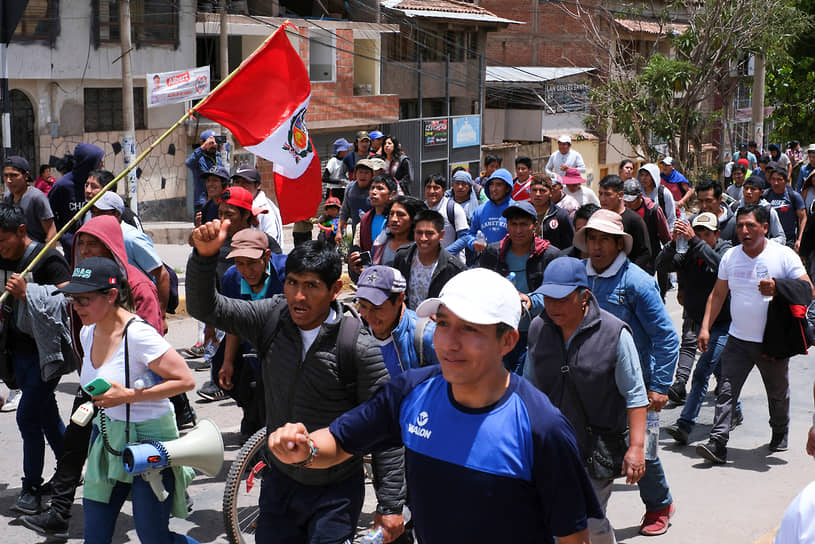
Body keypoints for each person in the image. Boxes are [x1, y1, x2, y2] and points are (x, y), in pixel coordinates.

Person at [267, 267, 603, 544]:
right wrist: (305, 450)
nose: (449, 342)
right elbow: (341, 441)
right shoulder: (412, 391)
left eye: (470, 328)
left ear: (508, 340)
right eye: (443, 324)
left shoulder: (541, 426)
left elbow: (573, 537)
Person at [186, 233, 408, 543]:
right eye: (292, 283)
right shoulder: (271, 318)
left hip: (336, 491)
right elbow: (206, 307)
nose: (298, 297)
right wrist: (203, 257)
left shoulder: (357, 346)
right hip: (280, 483)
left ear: (335, 290)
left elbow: (385, 430)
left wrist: (390, 505)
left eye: (311, 286)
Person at [54, 257, 198, 543]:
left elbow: (186, 380)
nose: (76, 307)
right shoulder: (87, 331)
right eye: (73, 299)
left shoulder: (138, 335)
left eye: (84, 299)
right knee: (94, 537)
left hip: (150, 442)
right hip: (107, 439)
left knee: (154, 538)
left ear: (111, 296)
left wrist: (129, 396)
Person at [526, 256, 648, 544]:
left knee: (588, 520)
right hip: (551, 448)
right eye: (548, 299)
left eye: (562, 299)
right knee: (555, 521)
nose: (553, 307)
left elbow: (635, 394)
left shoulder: (615, 333)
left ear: (585, 297)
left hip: (597, 448)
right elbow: (528, 389)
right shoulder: (537, 329)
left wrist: (637, 448)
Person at [574, 209, 679, 536]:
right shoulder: (579, 275)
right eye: (592, 238)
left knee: (642, 449)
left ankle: (659, 503)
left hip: (636, 385)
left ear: (619, 244)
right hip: (590, 381)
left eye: (605, 239)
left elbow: (666, 336)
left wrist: (660, 384)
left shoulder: (637, 282)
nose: (597, 246)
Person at [696, 205, 813, 464]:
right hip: (737, 340)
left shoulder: (782, 256)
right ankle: (718, 442)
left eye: (750, 226)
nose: (744, 231)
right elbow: (717, 294)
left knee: (777, 394)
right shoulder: (731, 257)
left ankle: (780, 430)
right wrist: (705, 327)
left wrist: (778, 287)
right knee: (726, 390)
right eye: (739, 226)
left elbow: (808, 289)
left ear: (765, 228)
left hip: (772, 343)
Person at [0, 203, 72, 515]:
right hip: (15, 351)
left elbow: (69, 297)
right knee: (44, 414)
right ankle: (70, 469)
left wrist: (29, 292)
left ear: (20, 232)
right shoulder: (2, 254)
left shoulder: (47, 258)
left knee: (26, 417)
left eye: (3, 241)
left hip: (46, 353)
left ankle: (31, 488)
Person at [656, 212, 736, 443]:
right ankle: (735, 409)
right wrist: (673, 242)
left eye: (706, 233)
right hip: (697, 320)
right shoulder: (689, 250)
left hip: (722, 323)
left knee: (701, 372)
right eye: (697, 231)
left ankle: (684, 424)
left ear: (717, 234)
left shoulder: (725, 251)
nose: (700, 236)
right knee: (721, 371)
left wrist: (694, 241)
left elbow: (720, 265)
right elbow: (663, 265)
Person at [214, 228, 287, 436]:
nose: (246, 271)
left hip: (285, 348)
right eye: (240, 263)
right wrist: (228, 361)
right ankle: (252, 416)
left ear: (267, 256)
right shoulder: (231, 279)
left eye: (252, 263)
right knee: (225, 371)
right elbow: (234, 323)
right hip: (252, 346)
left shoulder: (288, 273)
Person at [479, 201, 560, 373]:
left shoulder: (550, 255)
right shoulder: (493, 252)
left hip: (537, 333)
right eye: (513, 224)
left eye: (523, 224)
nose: (518, 230)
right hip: (500, 332)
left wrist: (530, 300)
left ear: (535, 226)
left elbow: (555, 293)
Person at [90, 192, 171, 325]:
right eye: (93, 212)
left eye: (100, 213)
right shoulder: (98, 236)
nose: (95, 217)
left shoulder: (131, 238)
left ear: (117, 214)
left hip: (139, 307)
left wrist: (161, 316)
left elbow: (162, 274)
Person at [354, 265, 439, 373]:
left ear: (400, 299)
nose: (369, 316)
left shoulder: (428, 337)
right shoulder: (356, 334)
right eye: (363, 306)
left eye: (377, 308)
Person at [393, 209, 464, 310]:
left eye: (429, 233)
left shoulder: (453, 268)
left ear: (441, 235)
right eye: (419, 232)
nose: (423, 238)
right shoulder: (402, 257)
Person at [48, 143, 105, 254]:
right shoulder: (62, 186)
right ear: (87, 163)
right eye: (98, 162)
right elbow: (49, 214)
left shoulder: (101, 183)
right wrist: (64, 236)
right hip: (73, 249)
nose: (102, 165)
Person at [598, 174, 652, 272]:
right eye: (600, 194)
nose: (602, 199)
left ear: (620, 195)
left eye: (608, 194)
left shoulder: (634, 220)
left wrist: (627, 273)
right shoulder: (597, 217)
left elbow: (645, 253)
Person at [3, 156, 56, 244]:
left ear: (26, 175)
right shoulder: (7, 197)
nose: (9, 180)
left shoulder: (37, 198)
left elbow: (51, 232)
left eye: (14, 175)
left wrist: (47, 255)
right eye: (6, 175)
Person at [460, 168, 515, 254]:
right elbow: (470, 234)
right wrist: (473, 243)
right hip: (486, 261)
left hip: (510, 260)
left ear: (507, 188)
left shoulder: (515, 209)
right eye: (491, 184)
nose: (494, 189)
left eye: (499, 185)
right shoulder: (480, 210)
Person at [230, 164, 284, 248]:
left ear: (258, 185)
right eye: (237, 182)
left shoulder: (266, 210)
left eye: (246, 182)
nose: (240, 186)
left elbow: (274, 246)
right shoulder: (233, 206)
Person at [422, 174, 468, 261]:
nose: (431, 191)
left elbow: (464, 237)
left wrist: (444, 254)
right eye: (428, 187)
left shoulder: (453, 208)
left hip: (452, 263)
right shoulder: (421, 209)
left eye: (436, 188)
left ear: (444, 190)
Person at [732, 175, 786, 245]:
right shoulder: (734, 207)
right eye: (746, 188)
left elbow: (780, 237)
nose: (748, 192)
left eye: (753, 189)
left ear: (761, 192)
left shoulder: (768, 211)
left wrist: (763, 244)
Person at [764, 164, 806, 251]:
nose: (775, 183)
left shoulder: (794, 196)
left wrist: (799, 240)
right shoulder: (765, 195)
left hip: (789, 241)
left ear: (786, 181)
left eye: (779, 180)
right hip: (770, 240)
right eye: (773, 179)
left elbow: (803, 218)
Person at [529, 173, 573, 250]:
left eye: (542, 191)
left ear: (550, 193)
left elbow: (569, 247)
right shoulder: (523, 214)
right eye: (534, 190)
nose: (538, 194)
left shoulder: (561, 216)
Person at [336, 158, 375, 243]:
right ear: (355, 174)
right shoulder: (350, 188)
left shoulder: (375, 189)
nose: (363, 175)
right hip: (356, 233)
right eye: (360, 172)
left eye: (366, 173)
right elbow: (344, 211)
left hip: (373, 233)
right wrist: (339, 231)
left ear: (372, 175)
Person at [185, 129, 223, 213]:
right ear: (202, 143)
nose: (214, 145)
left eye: (215, 142)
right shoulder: (198, 158)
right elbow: (189, 163)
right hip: (202, 202)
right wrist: (203, 148)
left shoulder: (218, 158)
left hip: (217, 201)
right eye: (211, 142)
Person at [637, 163, 676, 230]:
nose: (643, 178)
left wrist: (669, 235)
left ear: (653, 176)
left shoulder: (664, 193)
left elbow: (671, 218)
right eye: (642, 175)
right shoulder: (637, 192)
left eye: (647, 175)